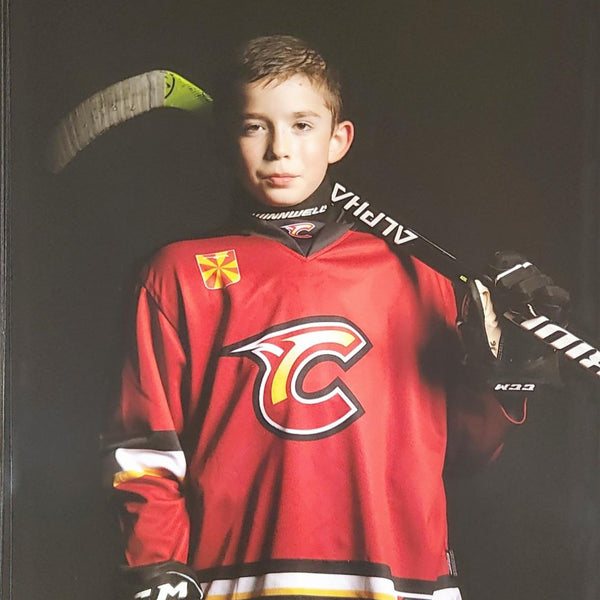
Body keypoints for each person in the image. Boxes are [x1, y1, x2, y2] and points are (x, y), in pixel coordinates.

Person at [103, 35, 569, 600]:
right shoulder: (177, 274)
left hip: (401, 582)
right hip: (237, 582)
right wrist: (157, 567)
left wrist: (508, 378)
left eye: (302, 125)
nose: (280, 150)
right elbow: (145, 451)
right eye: (254, 127)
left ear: (338, 139)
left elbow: (467, 454)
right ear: (228, 138)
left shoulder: (421, 276)